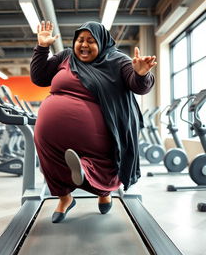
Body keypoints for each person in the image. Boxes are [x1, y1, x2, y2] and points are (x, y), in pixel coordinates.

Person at [30, 20, 156, 223]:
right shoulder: (66, 56)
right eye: (80, 39)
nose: (84, 45)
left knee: (102, 163)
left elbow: (138, 86)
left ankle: (103, 192)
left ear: (102, 42)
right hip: (51, 139)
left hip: (101, 133)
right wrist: (42, 47)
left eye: (91, 40)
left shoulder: (117, 61)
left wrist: (142, 74)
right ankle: (65, 198)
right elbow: (39, 77)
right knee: (52, 160)